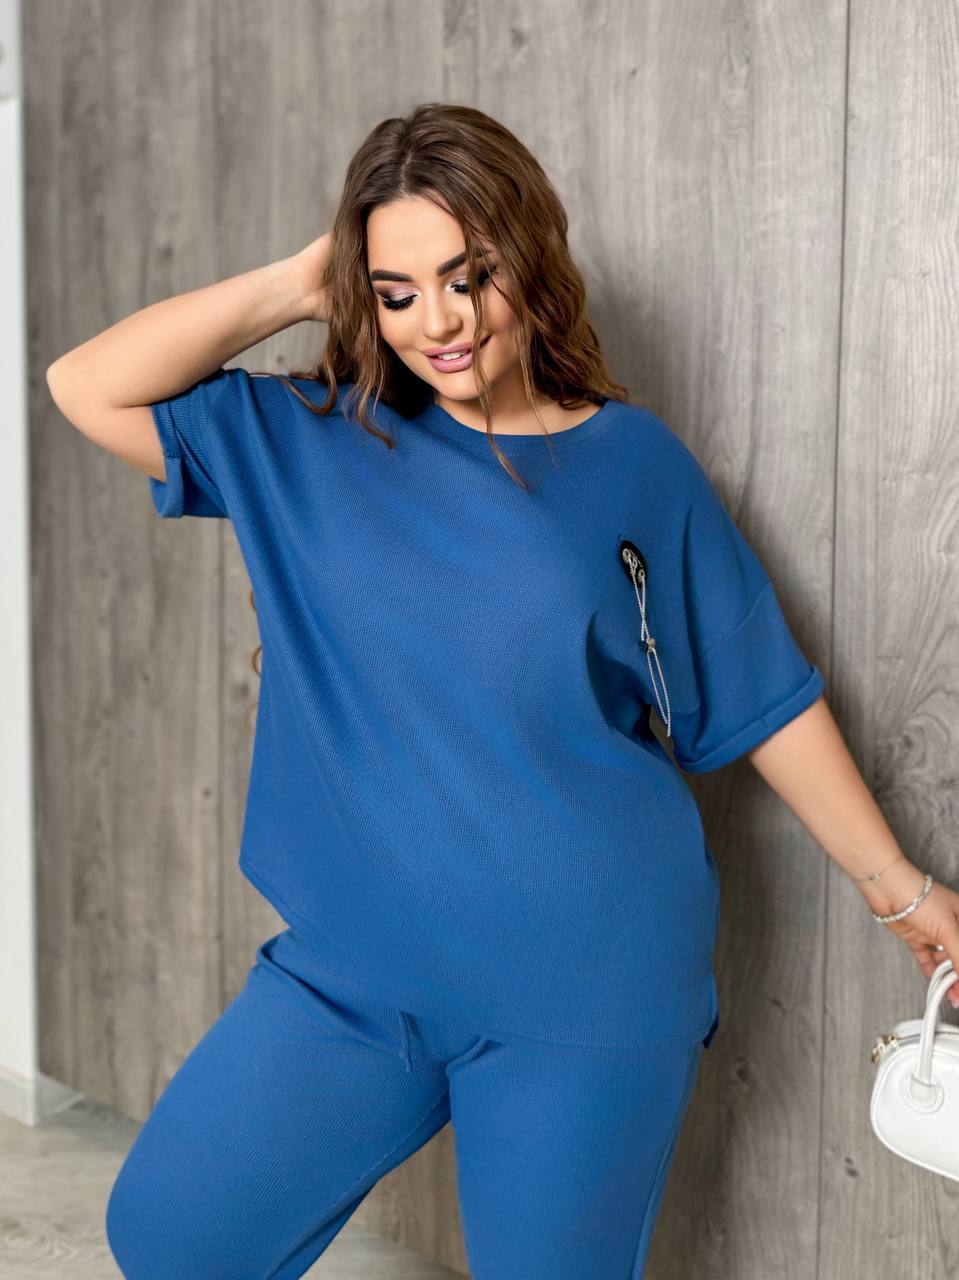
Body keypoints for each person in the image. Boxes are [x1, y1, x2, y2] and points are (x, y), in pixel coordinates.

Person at [47, 102, 959, 1280]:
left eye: (467, 275)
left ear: (527, 256)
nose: (439, 321)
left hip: (585, 985)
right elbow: (86, 386)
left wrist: (897, 889)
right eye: (396, 291)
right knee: (173, 1234)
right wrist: (302, 280)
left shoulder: (631, 465)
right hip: (356, 972)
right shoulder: (305, 440)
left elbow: (760, 694)